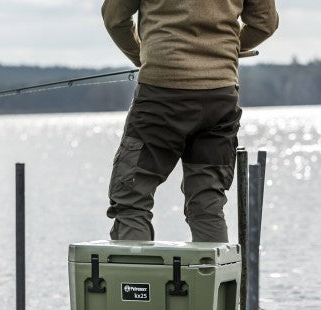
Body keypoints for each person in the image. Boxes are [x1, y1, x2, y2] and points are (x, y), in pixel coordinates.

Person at [102, 0, 278, 242]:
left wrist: (141, 55)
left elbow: (114, 18)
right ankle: (215, 279)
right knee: (207, 204)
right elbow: (264, 24)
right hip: (220, 96)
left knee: (131, 200)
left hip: (160, 94)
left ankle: (133, 279)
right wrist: (223, 49)